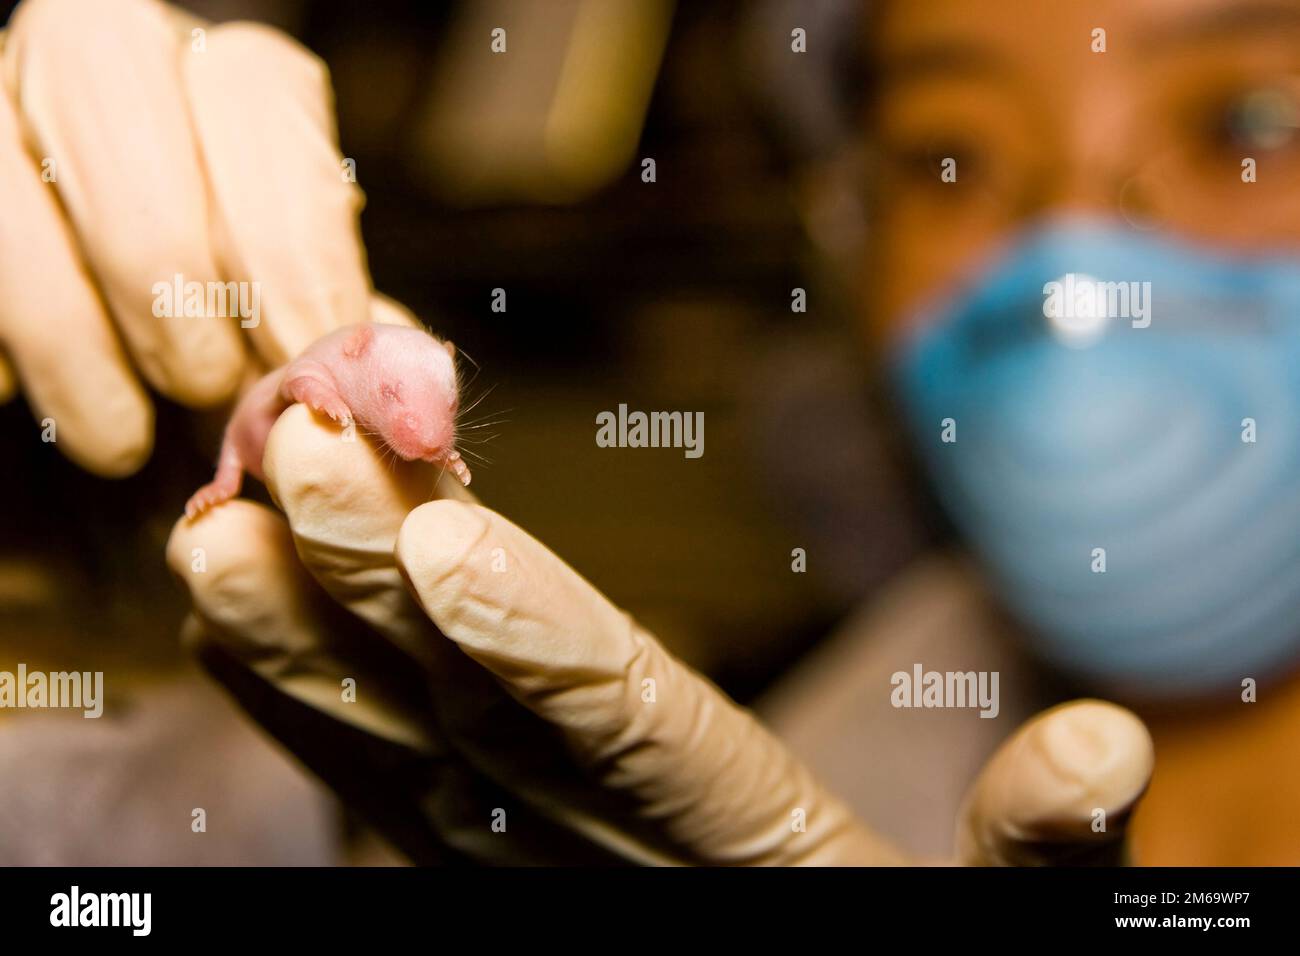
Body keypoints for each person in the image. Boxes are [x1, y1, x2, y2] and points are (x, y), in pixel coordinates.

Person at [11, 0, 1287, 865]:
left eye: (1249, 123)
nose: (1069, 260)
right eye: (947, 157)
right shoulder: (791, 739)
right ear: (845, 231)